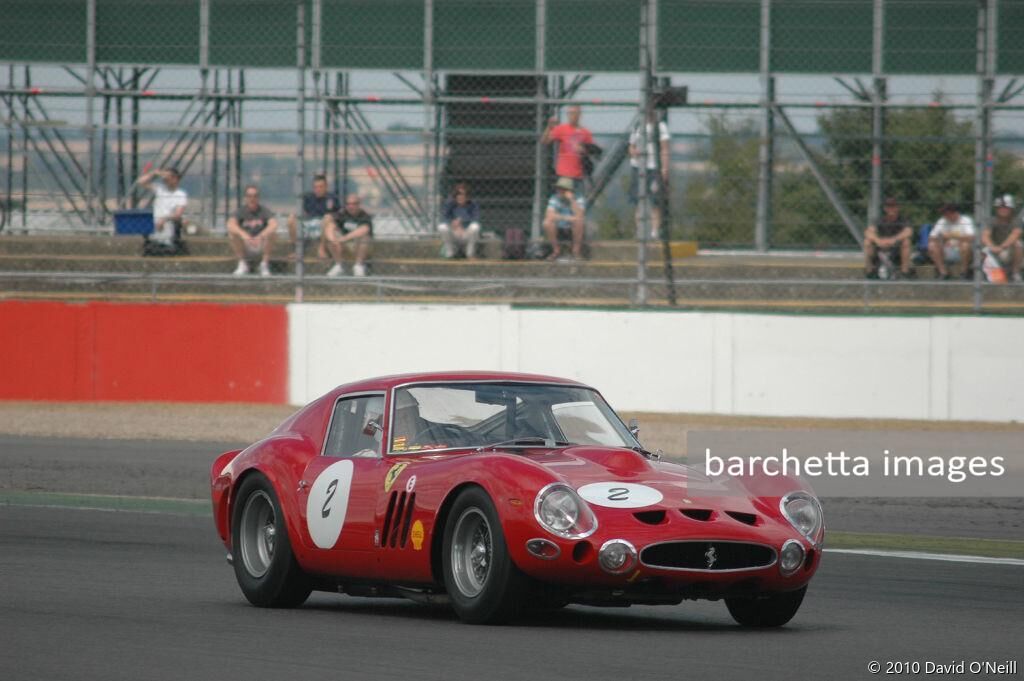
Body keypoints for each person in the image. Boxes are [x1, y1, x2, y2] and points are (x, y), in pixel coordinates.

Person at [629, 110, 671, 240]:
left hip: (654, 167)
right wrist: (634, 152)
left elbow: (665, 148)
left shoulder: (661, 126)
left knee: (655, 201)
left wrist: (664, 168)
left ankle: (654, 232)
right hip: (638, 167)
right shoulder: (637, 125)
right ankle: (639, 231)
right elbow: (631, 146)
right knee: (638, 200)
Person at [227, 185, 278, 277]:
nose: (252, 199)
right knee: (232, 234)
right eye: (249, 196)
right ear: (245, 198)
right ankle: (242, 264)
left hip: (261, 244)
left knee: (273, 234)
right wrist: (244, 235)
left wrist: (261, 236)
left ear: (258, 197)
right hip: (246, 244)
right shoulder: (241, 211)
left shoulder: (264, 211)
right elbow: (230, 224)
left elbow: (274, 224)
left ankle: (264, 264)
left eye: (255, 196)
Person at [287, 173, 340, 261]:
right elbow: (302, 212)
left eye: (321, 186)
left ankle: (321, 249)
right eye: (316, 187)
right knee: (291, 218)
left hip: (323, 225)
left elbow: (337, 214)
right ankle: (298, 250)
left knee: (327, 217)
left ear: (326, 187)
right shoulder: (308, 197)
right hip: (309, 223)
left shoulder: (332, 198)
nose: (318, 189)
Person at [542, 105, 593, 195]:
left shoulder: (585, 132)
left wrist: (583, 150)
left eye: (573, 113)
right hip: (564, 175)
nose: (570, 116)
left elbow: (592, 151)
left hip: (579, 176)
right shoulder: (562, 129)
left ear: (579, 115)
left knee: (578, 205)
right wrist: (549, 127)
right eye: (569, 113)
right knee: (562, 203)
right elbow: (545, 141)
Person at [137, 167, 187, 255]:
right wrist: (154, 173)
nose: (165, 180)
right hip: (155, 221)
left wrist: (164, 219)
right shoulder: (160, 188)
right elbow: (141, 182)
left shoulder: (180, 194)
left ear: (175, 179)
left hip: (168, 222)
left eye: (169, 178)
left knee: (165, 242)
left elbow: (178, 214)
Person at [864, 197, 914, 279]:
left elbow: (908, 231)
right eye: (888, 206)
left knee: (906, 241)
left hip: (897, 248)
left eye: (894, 206)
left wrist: (893, 240)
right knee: (867, 242)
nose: (891, 209)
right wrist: (878, 241)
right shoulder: (880, 219)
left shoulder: (903, 219)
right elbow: (868, 232)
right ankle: (869, 272)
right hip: (880, 247)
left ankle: (905, 273)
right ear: (885, 208)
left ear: (898, 207)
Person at [323, 193, 372, 277]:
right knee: (330, 230)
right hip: (344, 246)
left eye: (354, 204)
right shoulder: (342, 214)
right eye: (348, 204)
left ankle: (358, 266)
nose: (351, 206)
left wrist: (344, 238)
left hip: (359, 246)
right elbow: (331, 225)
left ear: (359, 205)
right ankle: (338, 265)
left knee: (365, 238)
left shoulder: (364, 215)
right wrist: (333, 239)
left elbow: (365, 229)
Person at [927, 203, 975, 280]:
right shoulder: (942, 221)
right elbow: (931, 237)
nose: (945, 215)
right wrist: (942, 239)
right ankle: (943, 273)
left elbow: (971, 237)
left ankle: (964, 272)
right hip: (946, 250)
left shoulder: (966, 220)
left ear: (955, 213)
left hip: (962, 251)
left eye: (946, 213)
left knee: (965, 245)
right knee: (932, 245)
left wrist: (951, 236)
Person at [982, 194, 1023, 283]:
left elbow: (1015, 234)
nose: (1003, 209)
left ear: (1011, 209)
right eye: (1000, 207)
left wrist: (1002, 247)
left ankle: (1015, 273)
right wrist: (992, 247)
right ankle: (985, 275)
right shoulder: (991, 220)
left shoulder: (1016, 221)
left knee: (1019, 245)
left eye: (1006, 207)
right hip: (993, 249)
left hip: (1008, 249)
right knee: (982, 250)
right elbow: (985, 236)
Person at [543, 177, 585, 260]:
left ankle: (576, 252)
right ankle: (556, 251)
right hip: (558, 227)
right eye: (558, 188)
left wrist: (572, 200)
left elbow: (580, 215)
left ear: (568, 190)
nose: (558, 190)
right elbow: (549, 215)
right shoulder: (554, 198)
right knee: (547, 222)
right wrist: (568, 218)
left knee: (580, 222)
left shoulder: (579, 198)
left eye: (561, 189)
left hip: (573, 228)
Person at [438, 183, 481, 259]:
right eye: (458, 194)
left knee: (475, 227)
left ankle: (470, 253)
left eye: (462, 194)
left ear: (467, 197)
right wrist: (452, 222)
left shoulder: (473, 204)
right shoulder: (450, 203)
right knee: (442, 227)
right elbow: (444, 217)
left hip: (466, 233)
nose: (460, 196)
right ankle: (450, 252)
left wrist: (461, 222)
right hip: (454, 234)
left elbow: (476, 218)